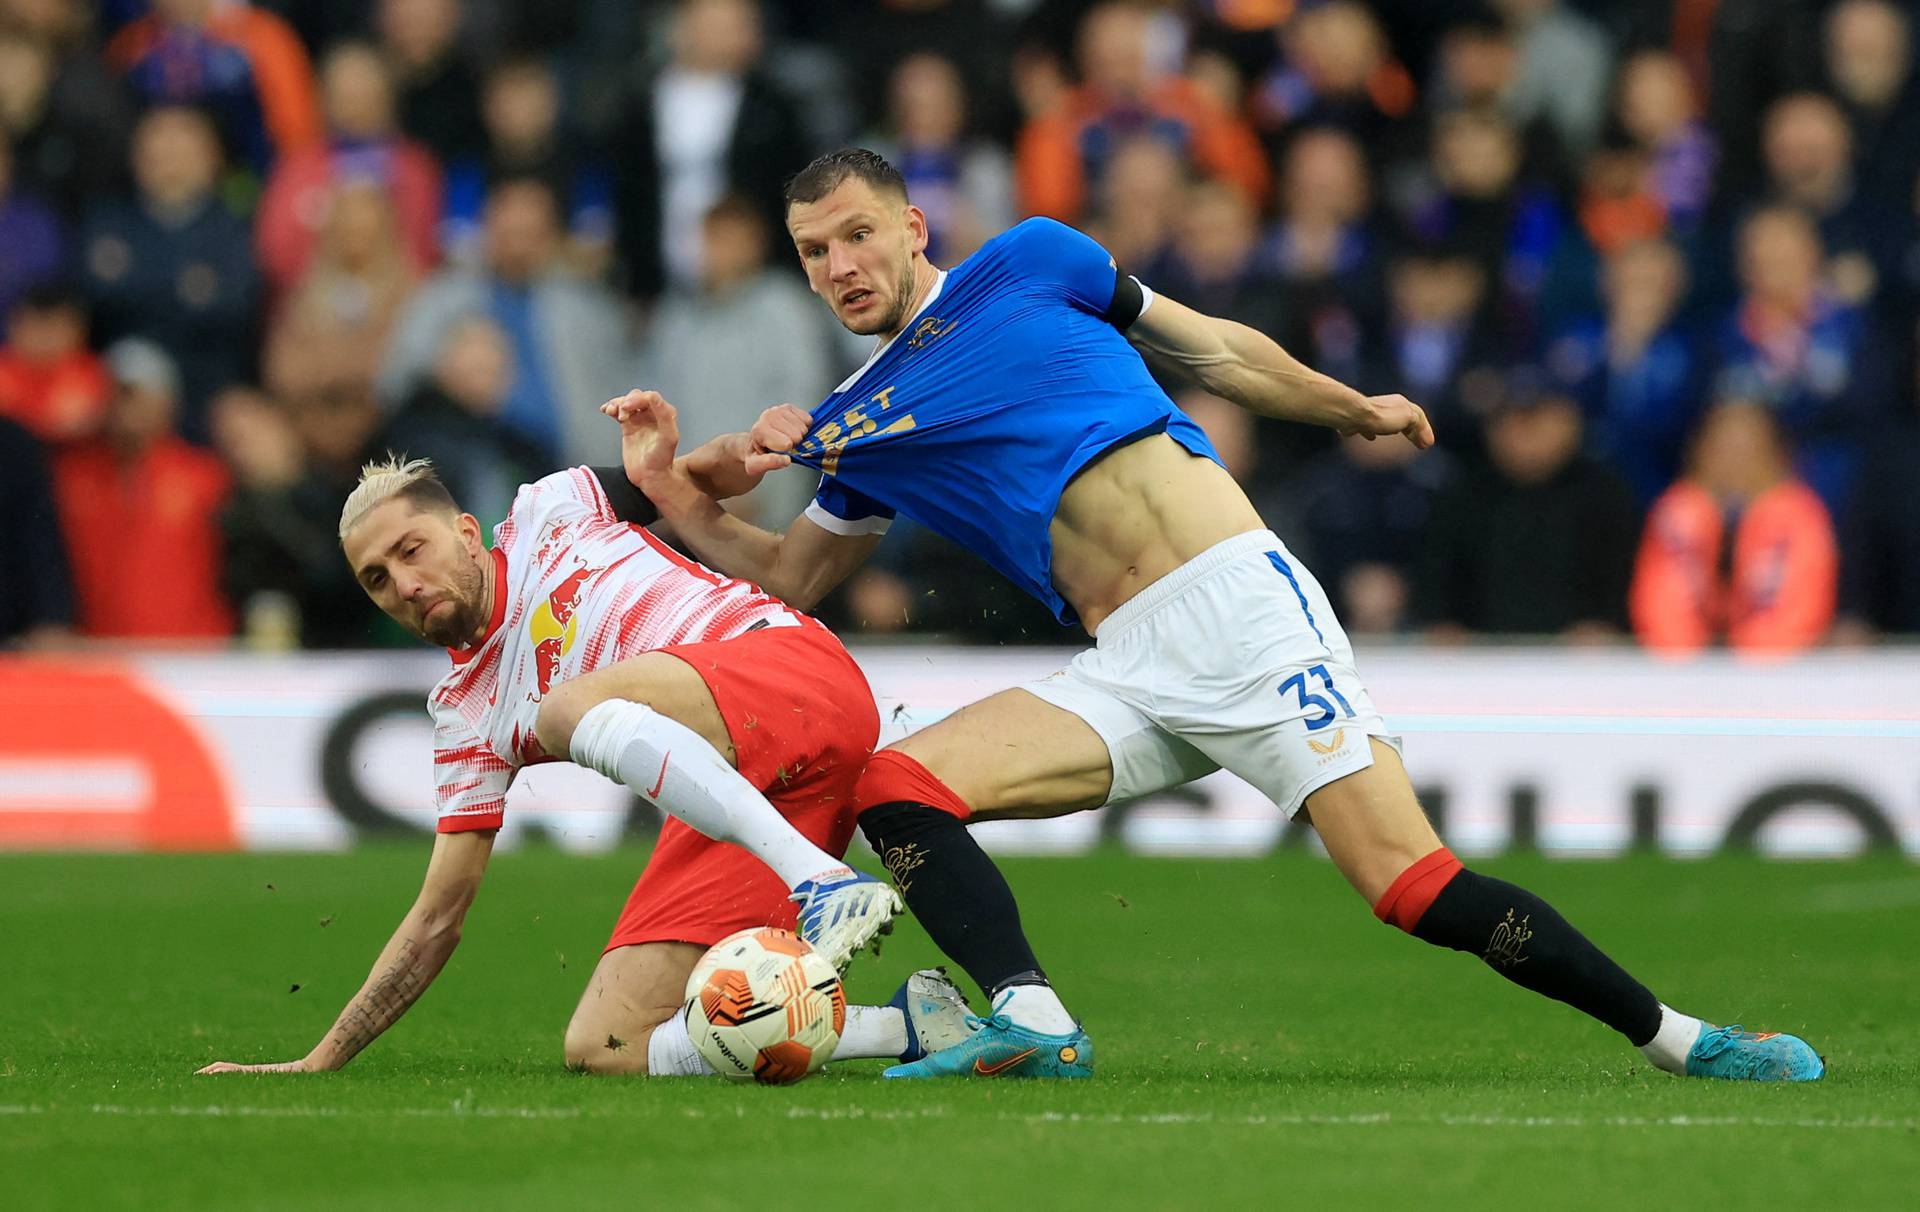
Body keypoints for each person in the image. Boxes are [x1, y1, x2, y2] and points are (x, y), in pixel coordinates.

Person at [618, 148, 1824, 1083]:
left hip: (1243, 614)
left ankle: (1683, 1038)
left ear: (913, 228)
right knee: (896, 786)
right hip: (1127, 664)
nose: (838, 265)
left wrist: (1347, 405)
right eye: (815, 250)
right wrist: (671, 483)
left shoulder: (1031, 261)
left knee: (1410, 888)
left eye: (857, 235)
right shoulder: (861, 423)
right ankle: (1031, 1017)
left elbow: (1215, 350)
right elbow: (786, 578)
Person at [196, 454, 951, 1078]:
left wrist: (738, 450)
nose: (402, 584)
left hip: (787, 667)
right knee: (607, 1044)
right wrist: (320, 1060)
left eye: (410, 550)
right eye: (376, 579)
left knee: (558, 709)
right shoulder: (466, 714)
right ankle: (906, 1028)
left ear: (465, 531)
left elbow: (672, 477)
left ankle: (821, 882)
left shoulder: (547, 510)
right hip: (758, 789)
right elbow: (437, 920)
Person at [1631, 400, 1837, 655]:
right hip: (1684, 678)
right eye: (1722, 448)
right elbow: (1663, 615)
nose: (1734, 461)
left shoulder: (1798, 513)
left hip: (1779, 677)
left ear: (1776, 455)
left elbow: (1795, 618)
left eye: (1748, 449)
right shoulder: (1679, 512)